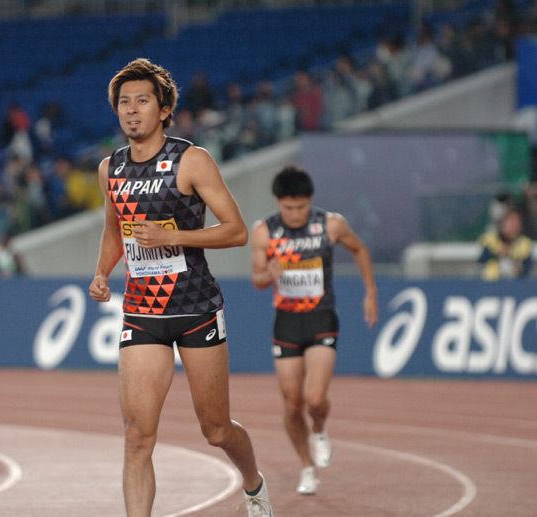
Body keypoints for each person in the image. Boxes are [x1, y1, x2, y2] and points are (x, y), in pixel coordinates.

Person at [88, 58, 273, 517]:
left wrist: (173, 236)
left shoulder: (191, 159)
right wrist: (100, 272)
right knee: (137, 436)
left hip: (196, 309)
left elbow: (235, 231)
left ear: (164, 109)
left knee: (215, 430)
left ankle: (253, 486)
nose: (131, 111)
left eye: (142, 101)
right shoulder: (109, 168)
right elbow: (115, 229)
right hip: (142, 313)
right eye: (124, 103)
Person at [250, 166, 378, 495]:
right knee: (292, 404)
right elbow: (257, 280)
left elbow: (359, 249)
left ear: (311, 201)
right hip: (287, 322)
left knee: (315, 399)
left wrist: (371, 294)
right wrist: (270, 274)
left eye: (301, 207)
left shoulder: (330, 224)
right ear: (278, 203)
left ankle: (319, 428)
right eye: (288, 208)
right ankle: (307, 467)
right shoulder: (264, 232)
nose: (294, 215)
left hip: (321, 318)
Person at [478, 208, 534, 280]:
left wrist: (519, 266)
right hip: (493, 283)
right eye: (510, 222)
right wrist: (497, 253)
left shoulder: (525, 243)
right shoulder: (491, 240)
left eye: (516, 222)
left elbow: (528, 266)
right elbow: (482, 260)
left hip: (516, 285)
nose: (513, 225)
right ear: (503, 223)